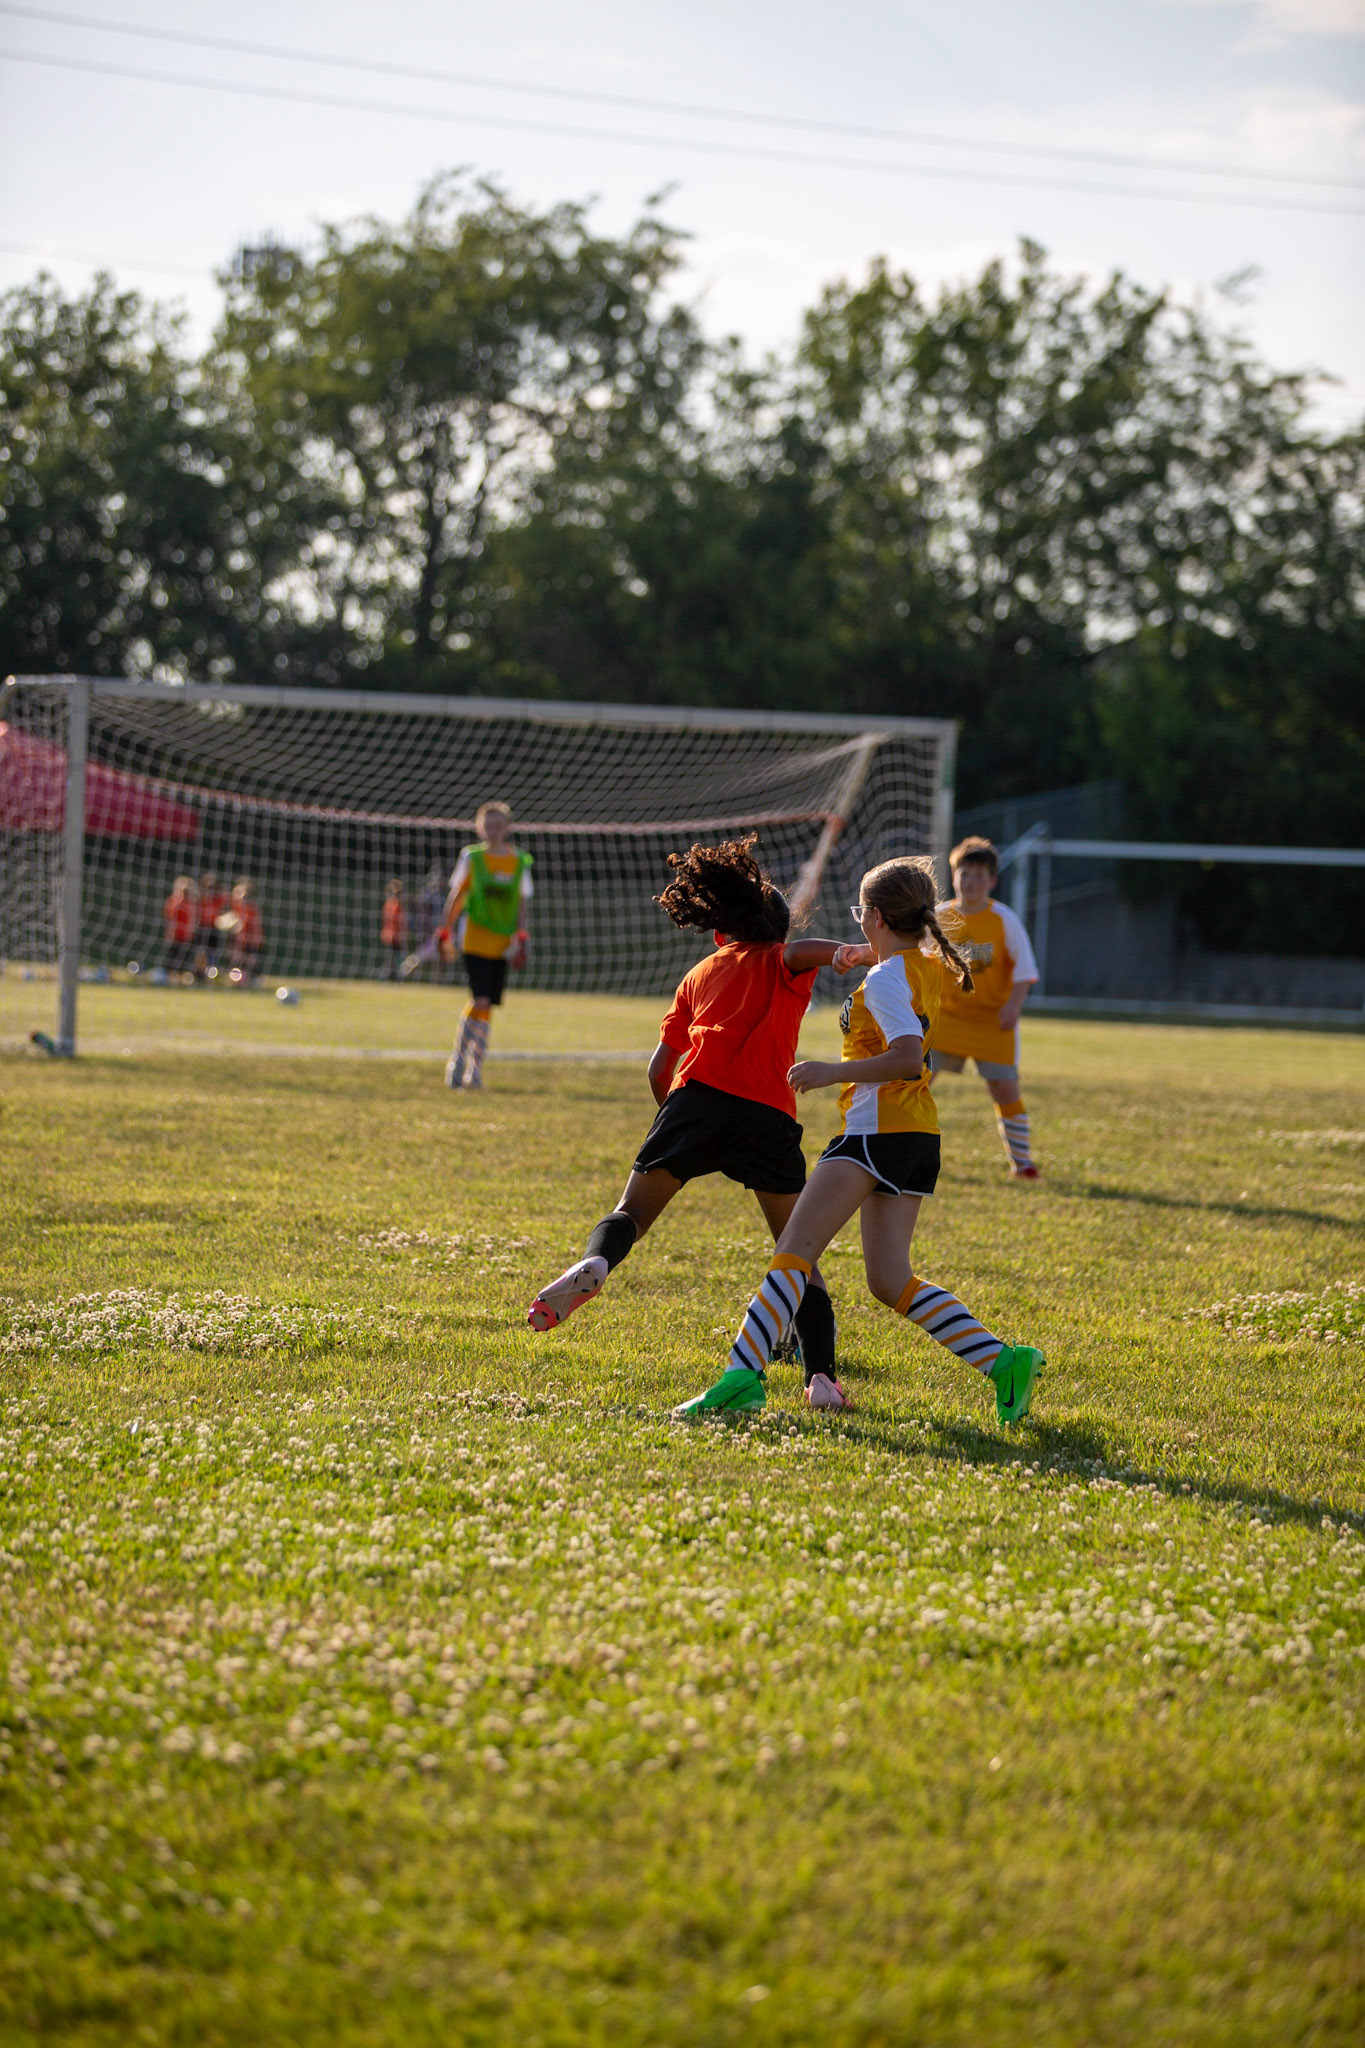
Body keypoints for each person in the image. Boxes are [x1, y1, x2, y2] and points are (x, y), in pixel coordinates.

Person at [673, 854, 1045, 1426]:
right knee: (889, 1280)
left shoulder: (891, 976)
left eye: (860, 913)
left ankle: (739, 1379)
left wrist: (832, 1071)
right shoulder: (922, 965)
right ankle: (1004, 1362)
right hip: (915, 1134)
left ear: (875, 917)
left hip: (874, 1133)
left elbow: (905, 1057)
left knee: (793, 1253)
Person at [526, 835, 869, 1405]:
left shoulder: (699, 973)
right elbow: (814, 951)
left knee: (631, 1213)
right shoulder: (783, 959)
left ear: (719, 931)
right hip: (766, 1115)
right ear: (779, 933)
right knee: (798, 1250)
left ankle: (594, 1262)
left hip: (693, 1102)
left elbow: (659, 1069)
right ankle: (821, 1379)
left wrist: (679, 1123)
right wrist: (861, 952)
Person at [929, 836, 1041, 1179]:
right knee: (913, 1081)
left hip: (993, 1021)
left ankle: (1022, 1164)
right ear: (953, 876)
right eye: (965, 873)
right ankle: (896, 1149)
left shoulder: (1004, 919)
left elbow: (1025, 971)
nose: (971, 881)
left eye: (979, 875)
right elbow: (919, 964)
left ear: (992, 881)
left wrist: (1013, 1007)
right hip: (946, 1018)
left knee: (1004, 1089)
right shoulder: (939, 917)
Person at [440, 803, 532, 1091]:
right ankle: (460, 1064)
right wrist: (445, 930)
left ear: (507, 828)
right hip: (475, 938)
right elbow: (457, 895)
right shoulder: (472, 857)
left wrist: (522, 938)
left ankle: (474, 1066)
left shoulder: (519, 861)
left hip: (502, 942)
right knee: (480, 999)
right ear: (479, 828)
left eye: (498, 825)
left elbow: (521, 903)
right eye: (488, 826)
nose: (493, 831)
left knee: (486, 1004)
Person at [226, 878, 262, 983]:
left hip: (251, 941)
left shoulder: (253, 909)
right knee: (236, 959)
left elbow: (254, 928)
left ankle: (253, 979)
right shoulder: (236, 908)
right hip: (239, 940)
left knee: (251, 961)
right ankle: (237, 980)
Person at [162, 875, 198, 979]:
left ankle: (181, 976)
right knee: (173, 956)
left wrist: (192, 931)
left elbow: (194, 919)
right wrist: (170, 932)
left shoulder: (192, 903)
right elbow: (170, 919)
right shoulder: (174, 901)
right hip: (176, 936)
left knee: (186, 958)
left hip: (187, 936)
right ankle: (170, 976)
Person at [195, 872, 228, 981]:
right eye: (209, 887)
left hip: (214, 929)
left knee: (212, 952)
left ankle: (211, 973)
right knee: (201, 952)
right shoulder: (200, 898)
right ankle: (200, 973)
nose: (211, 890)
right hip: (202, 928)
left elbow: (225, 898)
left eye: (213, 887)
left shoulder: (219, 899)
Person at [380, 879, 407, 980]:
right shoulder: (394, 905)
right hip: (393, 936)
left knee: (395, 958)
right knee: (395, 958)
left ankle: (391, 976)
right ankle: (388, 976)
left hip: (393, 936)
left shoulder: (391, 904)